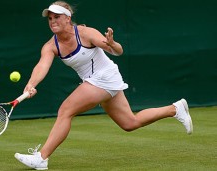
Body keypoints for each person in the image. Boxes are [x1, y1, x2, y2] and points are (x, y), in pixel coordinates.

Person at [14, 1, 193, 170]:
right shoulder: (50, 46)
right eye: (50, 18)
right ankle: (175, 109)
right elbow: (42, 66)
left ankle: (42, 158)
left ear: (68, 18)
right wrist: (31, 84)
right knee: (130, 123)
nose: (53, 21)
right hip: (96, 81)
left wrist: (113, 44)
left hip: (104, 76)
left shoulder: (85, 33)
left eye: (57, 17)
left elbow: (117, 51)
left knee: (65, 111)